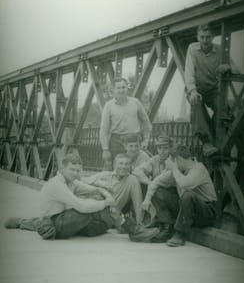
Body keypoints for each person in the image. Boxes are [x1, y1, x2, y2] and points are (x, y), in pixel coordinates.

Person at [4, 153, 158, 242]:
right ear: (62, 168)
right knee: (96, 207)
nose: (76, 173)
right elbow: (81, 207)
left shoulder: (72, 181)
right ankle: (135, 232)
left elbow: (93, 188)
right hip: (52, 226)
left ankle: (19, 222)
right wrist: (106, 203)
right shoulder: (56, 184)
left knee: (98, 211)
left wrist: (104, 195)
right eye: (72, 170)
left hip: (62, 220)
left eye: (78, 170)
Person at [149, 145, 218, 246]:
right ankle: (168, 228)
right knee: (159, 192)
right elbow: (157, 182)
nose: (169, 162)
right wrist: (147, 199)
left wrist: (174, 168)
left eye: (172, 160)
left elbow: (185, 184)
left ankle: (180, 234)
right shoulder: (180, 170)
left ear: (178, 159)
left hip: (206, 213)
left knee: (188, 194)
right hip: (188, 212)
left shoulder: (198, 168)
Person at [185, 23, 233, 156]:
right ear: (197, 37)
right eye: (202, 37)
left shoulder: (220, 50)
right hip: (198, 88)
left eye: (208, 37)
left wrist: (227, 67)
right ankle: (206, 142)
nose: (205, 40)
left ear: (213, 37)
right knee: (196, 103)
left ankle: (215, 139)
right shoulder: (192, 49)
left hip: (213, 89)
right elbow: (189, 72)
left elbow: (235, 68)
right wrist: (192, 91)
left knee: (224, 109)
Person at [99, 77, 152, 169]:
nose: (121, 90)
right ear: (114, 90)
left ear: (127, 88)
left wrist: (146, 140)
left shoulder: (135, 102)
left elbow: (146, 123)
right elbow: (104, 130)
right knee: (117, 168)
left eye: (123, 87)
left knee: (140, 166)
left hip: (135, 140)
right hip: (117, 142)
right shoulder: (108, 106)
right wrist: (105, 149)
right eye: (118, 88)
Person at [133, 135, 178, 237]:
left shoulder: (173, 162)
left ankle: (167, 226)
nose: (161, 151)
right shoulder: (155, 159)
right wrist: (148, 182)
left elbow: (159, 181)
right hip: (158, 192)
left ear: (171, 148)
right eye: (159, 148)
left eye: (165, 148)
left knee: (157, 191)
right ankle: (154, 218)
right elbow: (137, 171)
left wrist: (151, 187)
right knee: (140, 183)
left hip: (173, 197)